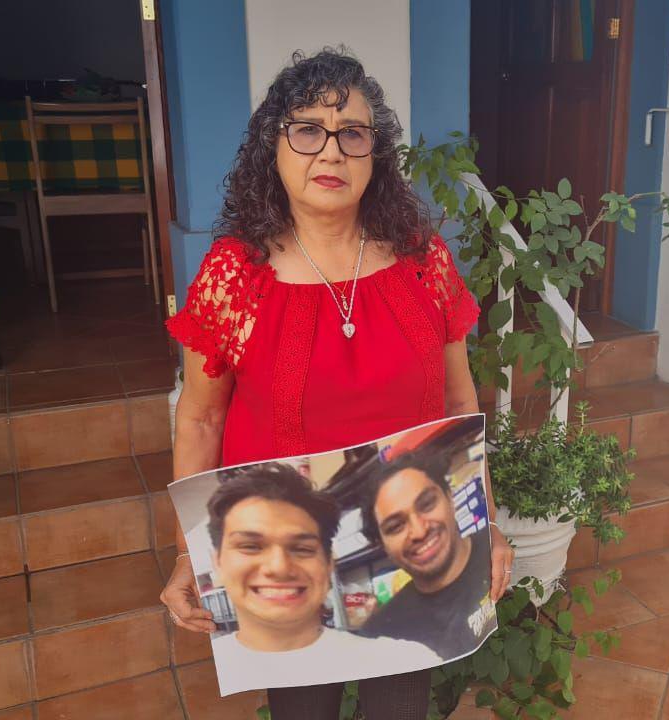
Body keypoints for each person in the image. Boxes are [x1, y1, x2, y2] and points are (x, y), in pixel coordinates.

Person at [159, 47, 515, 720]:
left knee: (399, 710)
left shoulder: (422, 260)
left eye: (352, 133)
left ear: (375, 153)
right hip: (286, 563)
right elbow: (201, 421)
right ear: (275, 147)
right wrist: (190, 552)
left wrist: (484, 523)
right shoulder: (235, 276)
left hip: (411, 549)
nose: (331, 152)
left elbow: (461, 404)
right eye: (307, 130)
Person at [205, 465, 439, 694]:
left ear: (329, 564)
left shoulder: (402, 661)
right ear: (218, 562)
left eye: (302, 549)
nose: (279, 567)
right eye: (251, 546)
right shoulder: (203, 676)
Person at [357, 450, 496, 659]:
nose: (419, 531)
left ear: (450, 498)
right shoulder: (379, 637)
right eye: (396, 526)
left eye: (427, 504)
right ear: (381, 544)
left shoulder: (499, 548)